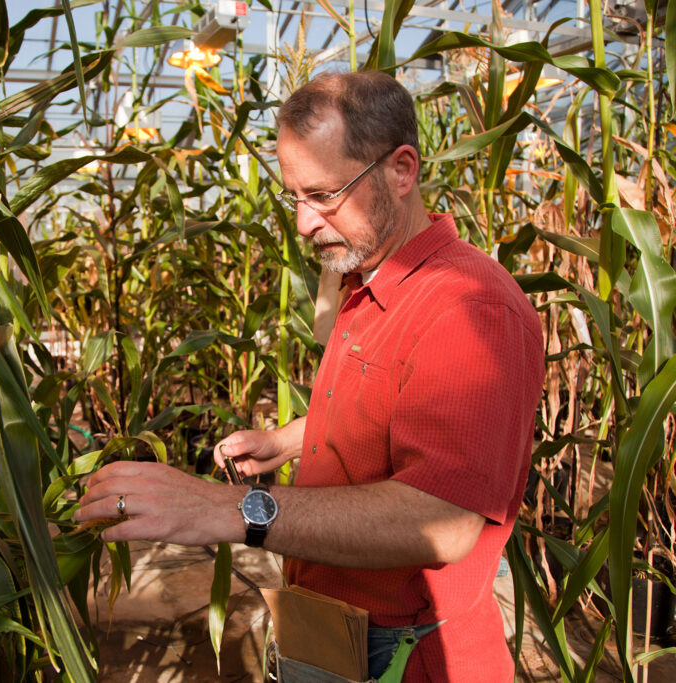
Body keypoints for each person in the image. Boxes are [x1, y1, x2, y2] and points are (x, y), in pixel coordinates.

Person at [74, 70, 545, 682]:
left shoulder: (468, 308)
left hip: (408, 653)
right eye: (293, 196)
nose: (303, 223)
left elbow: (444, 521)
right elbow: (379, 405)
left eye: (324, 195)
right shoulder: (367, 280)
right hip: (335, 629)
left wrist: (235, 509)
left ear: (402, 171)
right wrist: (285, 441)